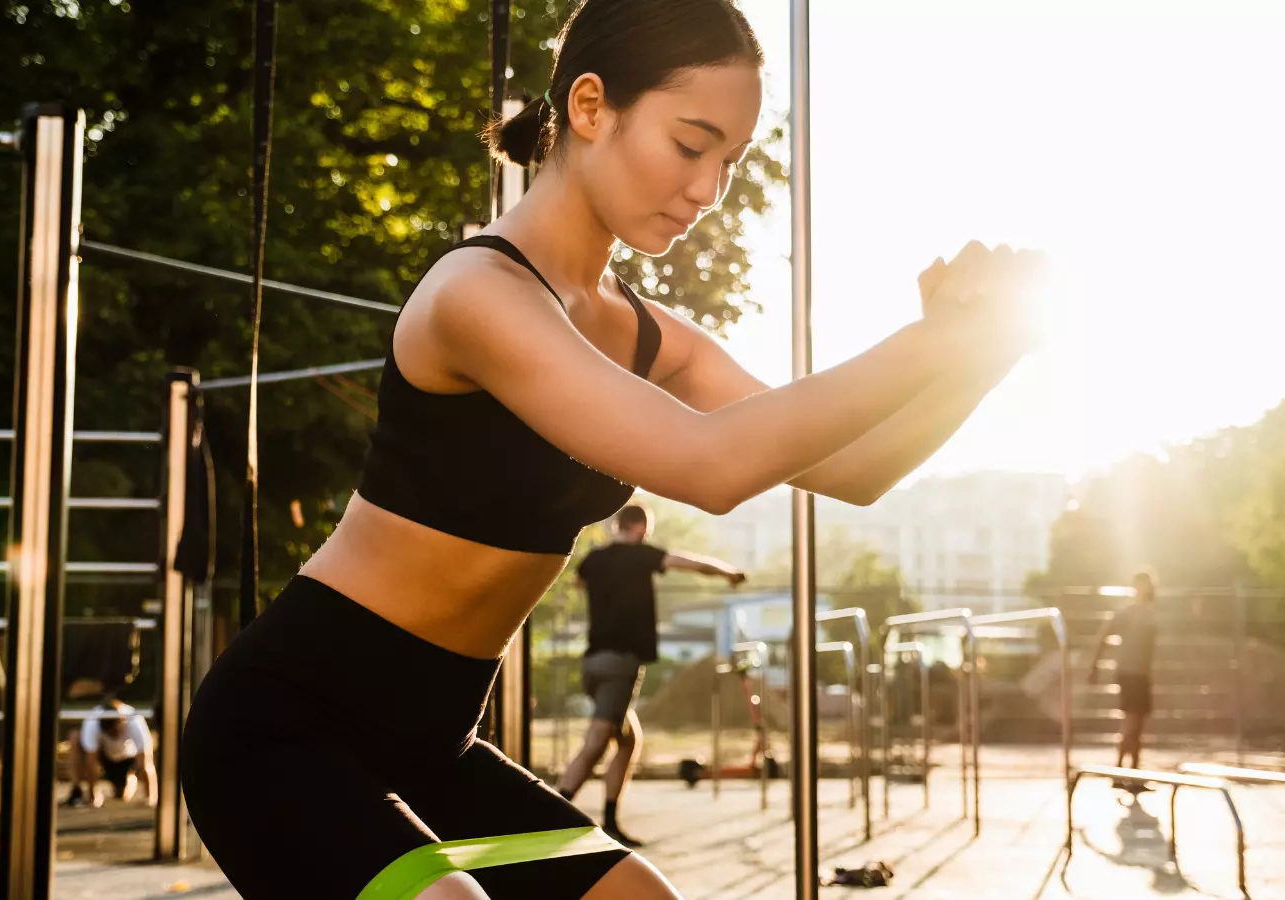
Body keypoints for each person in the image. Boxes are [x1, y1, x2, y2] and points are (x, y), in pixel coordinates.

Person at [180, 0, 1042, 896]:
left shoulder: (648, 334)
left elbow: (855, 468)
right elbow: (711, 466)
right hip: (283, 733)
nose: (709, 188)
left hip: (436, 745)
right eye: (690, 144)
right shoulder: (476, 293)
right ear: (589, 107)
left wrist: (984, 351)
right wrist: (930, 344)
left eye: (730, 161)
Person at [556, 503, 746, 847]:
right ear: (641, 529)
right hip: (620, 664)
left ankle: (610, 819)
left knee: (628, 740)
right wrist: (729, 572)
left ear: (616, 525)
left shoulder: (594, 560)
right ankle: (554, 811)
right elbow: (694, 565)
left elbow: (578, 583)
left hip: (593, 662)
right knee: (598, 740)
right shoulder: (641, 555)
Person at [1086, 570, 1157, 780]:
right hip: (1129, 672)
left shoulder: (1150, 613)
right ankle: (1118, 771)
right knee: (1131, 721)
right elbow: (1102, 637)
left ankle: (1132, 772)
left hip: (1142, 673)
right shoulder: (1126, 613)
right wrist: (1094, 666)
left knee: (1138, 724)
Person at [64, 697, 158, 808]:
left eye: (114, 732)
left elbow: (145, 761)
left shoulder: (134, 720)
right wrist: (94, 796)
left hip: (127, 758)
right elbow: (91, 763)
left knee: (123, 796)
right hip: (105, 757)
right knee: (75, 737)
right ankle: (77, 789)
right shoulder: (92, 723)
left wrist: (150, 798)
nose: (112, 736)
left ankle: (129, 779)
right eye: (109, 733)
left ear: (122, 722)